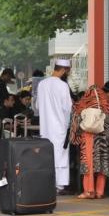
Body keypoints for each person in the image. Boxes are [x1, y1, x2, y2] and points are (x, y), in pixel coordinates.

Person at [70, 81, 109, 199]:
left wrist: (76, 135)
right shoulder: (107, 105)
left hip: (89, 136)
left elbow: (76, 119)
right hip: (103, 138)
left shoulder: (85, 103)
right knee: (103, 161)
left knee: (88, 162)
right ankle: (99, 191)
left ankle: (88, 191)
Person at [37, 59, 73, 194]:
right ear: (63, 70)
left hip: (45, 127)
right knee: (61, 156)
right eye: (67, 72)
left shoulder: (42, 84)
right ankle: (60, 185)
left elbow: (37, 106)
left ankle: (48, 182)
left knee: (47, 155)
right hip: (60, 127)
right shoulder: (63, 86)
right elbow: (68, 108)